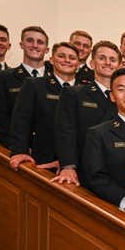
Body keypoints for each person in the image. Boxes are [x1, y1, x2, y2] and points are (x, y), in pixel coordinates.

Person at [54, 40, 120, 186]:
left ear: (119, 65)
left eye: (113, 59)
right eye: (102, 58)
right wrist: (68, 166)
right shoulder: (74, 93)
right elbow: (66, 131)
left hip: (117, 173)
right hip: (84, 171)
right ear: (92, 63)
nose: (107, 63)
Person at [83, 68, 125, 218]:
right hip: (119, 211)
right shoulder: (99, 133)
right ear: (112, 96)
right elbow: (97, 178)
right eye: (121, 89)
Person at [8, 41, 78, 174]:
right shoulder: (34, 85)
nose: (67, 60)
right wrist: (19, 151)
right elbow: (21, 121)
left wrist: (69, 161)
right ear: (51, 60)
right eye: (61, 56)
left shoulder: (84, 91)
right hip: (41, 160)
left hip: (74, 165)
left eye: (72, 58)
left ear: (78, 63)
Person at [0, 25, 51, 146]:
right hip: (16, 148)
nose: (35, 45)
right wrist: (18, 147)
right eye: (30, 40)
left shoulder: (54, 80)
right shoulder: (3, 77)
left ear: (46, 49)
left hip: (49, 152)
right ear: (21, 45)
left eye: (40, 42)